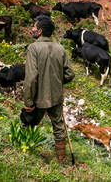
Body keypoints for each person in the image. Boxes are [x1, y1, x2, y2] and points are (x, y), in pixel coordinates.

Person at [23, 15, 75, 161]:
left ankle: (26, 153)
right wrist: (57, 82)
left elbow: (31, 77)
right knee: (59, 127)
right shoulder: (60, 48)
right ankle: (60, 160)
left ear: (39, 31)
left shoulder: (33, 48)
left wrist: (28, 101)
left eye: (34, 27)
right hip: (56, 96)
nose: (32, 29)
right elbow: (70, 74)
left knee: (28, 122)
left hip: (38, 97)